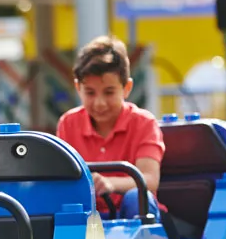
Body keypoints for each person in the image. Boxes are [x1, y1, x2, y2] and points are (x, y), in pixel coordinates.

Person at [55, 36, 165, 220]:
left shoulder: (145, 123)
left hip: (135, 216)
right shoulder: (68, 124)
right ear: (78, 88)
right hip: (89, 218)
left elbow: (150, 180)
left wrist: (110, 184)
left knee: (136, 198)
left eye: (109, 92)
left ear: (127, 88)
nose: (99, 103)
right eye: (90, 92)